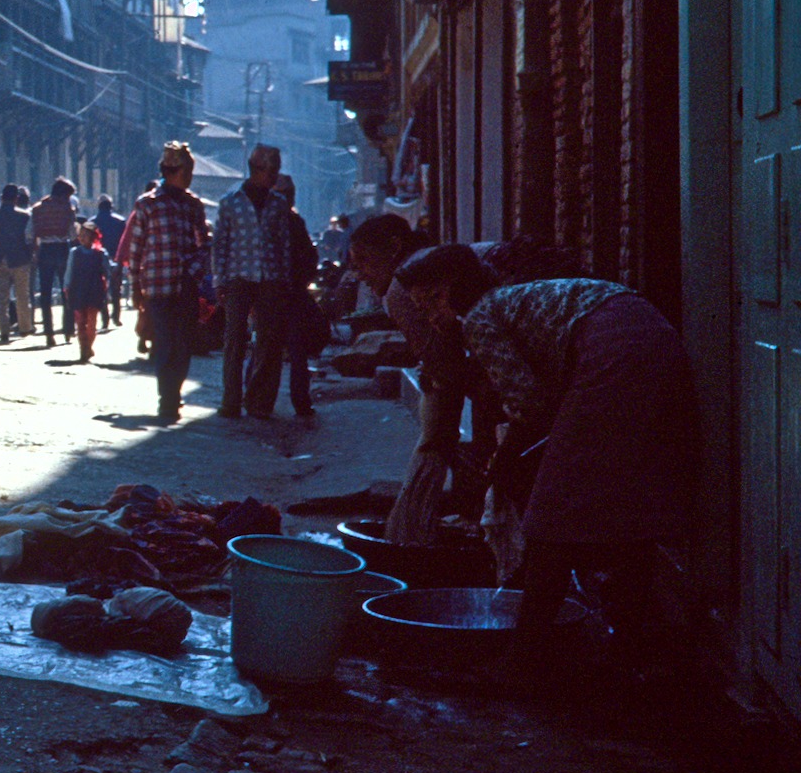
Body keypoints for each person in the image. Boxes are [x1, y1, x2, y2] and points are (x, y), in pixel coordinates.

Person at [393, 247, 696, 680]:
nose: (433, 317)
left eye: (435, 300)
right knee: (626, 507)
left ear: (458, 289)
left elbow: (530, 406)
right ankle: (631, 646)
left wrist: (502, 461)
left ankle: (525, 661)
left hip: (613, 355)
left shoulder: (481, 315)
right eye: (424, 308)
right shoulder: (512, 299)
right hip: (653, 338)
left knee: (550, 516)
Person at [117, 143, 208, 421]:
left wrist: (194, 269)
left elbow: (204, 244)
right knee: (166, 344)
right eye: (187, 170)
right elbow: (136, 248)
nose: (190, 175)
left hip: (186, 286)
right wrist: (134, 286)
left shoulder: (193, 205)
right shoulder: (148, 203)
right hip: (157, 287)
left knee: (182, 345)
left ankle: (173, 394)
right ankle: (167, 399)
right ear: (173, 171)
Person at [211, 144, 293, 418]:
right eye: (271, 172)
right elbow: (220, 245)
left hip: (270, 278)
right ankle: (231, 400)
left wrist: (285, 280)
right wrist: (219, 281)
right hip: (238, 277)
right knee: (235, 340)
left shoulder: (278, 205)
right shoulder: (230, 202)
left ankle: (259, 402)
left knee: (269, 342)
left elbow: (283, 245)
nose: (274, 177)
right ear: (257, 170)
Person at [273, 175, 321, 417]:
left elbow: (310, 258)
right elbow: (310, 259)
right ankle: (298, 402)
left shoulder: (287, 222)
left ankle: (256, 400)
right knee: (291, 352)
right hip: (281, 296)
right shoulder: (291, 221)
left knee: (277, 350)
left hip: (281, 296)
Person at [0, 184, 33, 342]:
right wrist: (29, 256)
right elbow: (29, 240)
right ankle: (24, 327)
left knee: (1, 296)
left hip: (0, 259)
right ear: (16, 199)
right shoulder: (24, 217)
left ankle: (4, 330)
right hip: (20, 260)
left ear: (2, 198)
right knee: (22, 295)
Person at [31, 177, 81, 343]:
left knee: (45, 292)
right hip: (62, 249)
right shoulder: (68, 209)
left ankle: (49, 334)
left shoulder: (37, 208)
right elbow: (73, 234)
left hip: (45, 250)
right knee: (66, 290)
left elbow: (29, 233)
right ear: (64, 194)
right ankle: (68, 330)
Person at [66, 221, 110, 364]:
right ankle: (83, 348)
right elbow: (69, 271)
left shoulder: (101, 254)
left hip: (94, 291)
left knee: (91, 322)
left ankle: (88, 346)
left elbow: (106, 272)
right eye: (81, 235)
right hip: (77, 290)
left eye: (86, 235)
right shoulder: (74, 253)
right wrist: (66, 287)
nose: (83, 238)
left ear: (93, 237)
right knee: (80, 322)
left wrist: (109, 288)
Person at [93, 196, 128, 327]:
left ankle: (105, 319)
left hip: (98, 258)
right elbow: (124, 242)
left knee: (101, 289)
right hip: (116, 257)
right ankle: (116, 316)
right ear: (111, 206)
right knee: (116, 289)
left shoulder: (93, 222)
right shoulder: (120, 221)